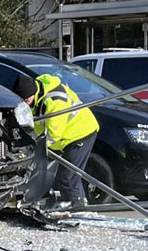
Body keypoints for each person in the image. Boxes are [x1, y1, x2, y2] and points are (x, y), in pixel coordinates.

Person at [14, 73, 99, 210]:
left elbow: (54, 134)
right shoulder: (36, 95)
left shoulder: (54, 101)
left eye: (26, 99)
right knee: (67, 175)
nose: (25, 103)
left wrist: (39, 150)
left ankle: (75, 208)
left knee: (67, 177)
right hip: (67, 135)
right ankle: (77, 203)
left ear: (32, 93)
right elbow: (38, 127)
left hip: (80, 133)